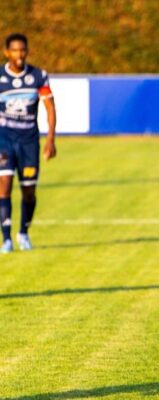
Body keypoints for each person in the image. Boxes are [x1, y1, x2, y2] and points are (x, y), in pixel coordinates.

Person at [0, 33, 56, 253]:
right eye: (14, 50)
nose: (19, 54)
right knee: (4, 185)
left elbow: (50, 108)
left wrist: (50, 140)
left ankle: (23, 233)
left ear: (27, 51)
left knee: (29, 190)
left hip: (29, 142)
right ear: (6, 52)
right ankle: (6, 239)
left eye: (22, 50)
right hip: (4, 139)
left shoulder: (38, 76)